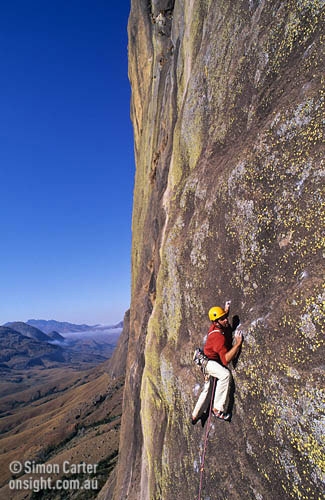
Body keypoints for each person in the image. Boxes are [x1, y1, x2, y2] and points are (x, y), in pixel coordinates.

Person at [192, 301, 243, 423]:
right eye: (223, 319)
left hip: (205, 359)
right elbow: (225, 360)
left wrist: (226, 310)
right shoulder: (218, 338)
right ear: (216, 323)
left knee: (207, 388)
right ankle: (217, 409)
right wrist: (238, 344)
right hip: (209, 363)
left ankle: (195, 415)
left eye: (225, 317)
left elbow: (221, 317)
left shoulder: (217, 324)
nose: (226, 320)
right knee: (224, 375)